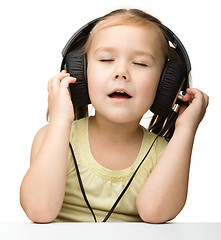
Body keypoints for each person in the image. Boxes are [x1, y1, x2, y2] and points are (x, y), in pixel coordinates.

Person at [20, 8, 209, 223]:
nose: (121, 72)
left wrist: (186, 130)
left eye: (140, 63)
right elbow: (38, 210)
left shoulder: (163, 155)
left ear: (166, 83)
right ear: (80, 73)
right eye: (106, 59)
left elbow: (155, 213)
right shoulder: (52, 137)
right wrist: (61, 121)